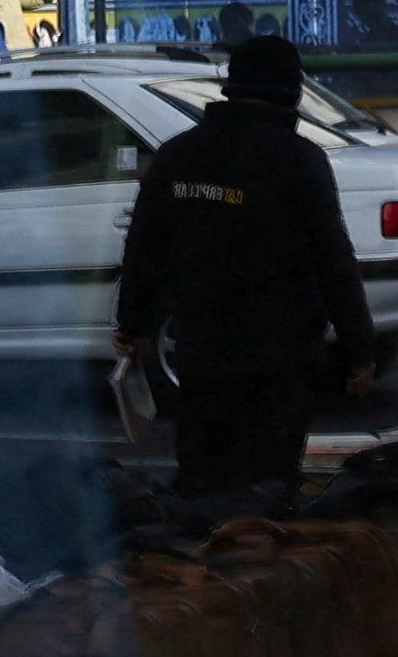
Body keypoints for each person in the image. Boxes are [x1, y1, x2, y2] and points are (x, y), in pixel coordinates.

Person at [117, 31, 377, 497]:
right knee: (267, 483)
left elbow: (144, 247)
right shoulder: (299, 160)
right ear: (293, 92)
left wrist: (132, 325)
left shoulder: (178, 154)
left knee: (201, 473)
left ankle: (199, 555)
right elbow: (332, 259)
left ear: (230, 86)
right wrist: (359, 350)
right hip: (281, 353)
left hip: (201, 348)